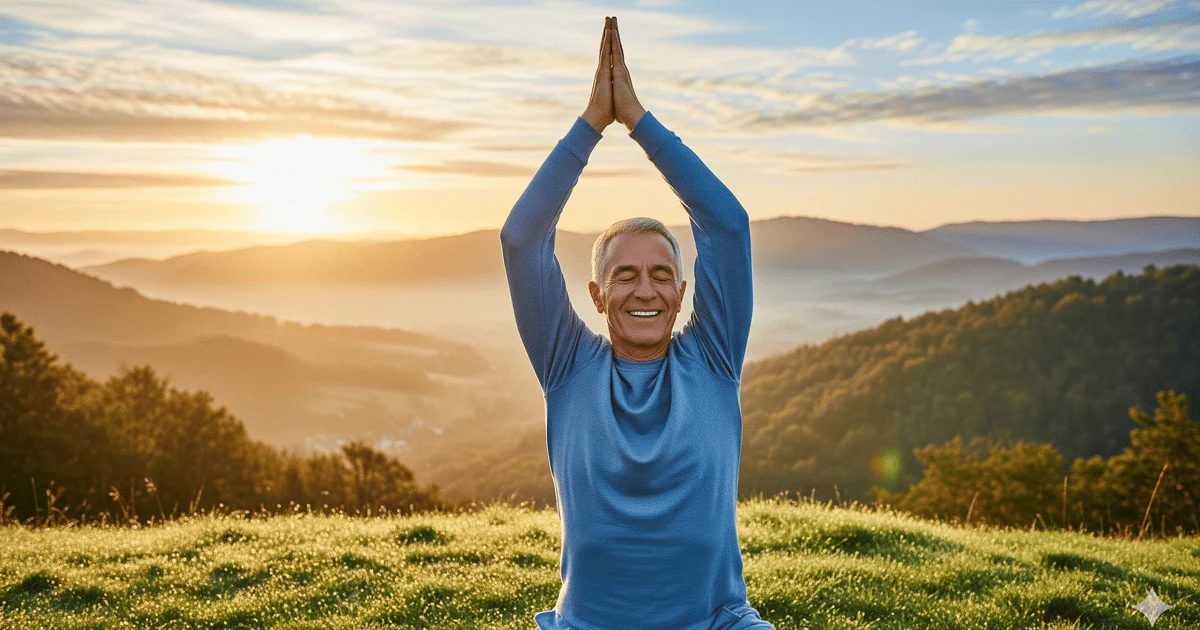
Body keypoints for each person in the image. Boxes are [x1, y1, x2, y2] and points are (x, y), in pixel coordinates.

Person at [500, 15, 773, 630]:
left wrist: (640, 123)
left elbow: (727, 226)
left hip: (717, 622)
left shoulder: (714, 359)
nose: (643, 290)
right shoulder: (567, 365)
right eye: (624, 276)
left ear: (682, 293)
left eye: (659, 276)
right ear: (597, 295)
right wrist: (592, 123)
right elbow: (522, 239)